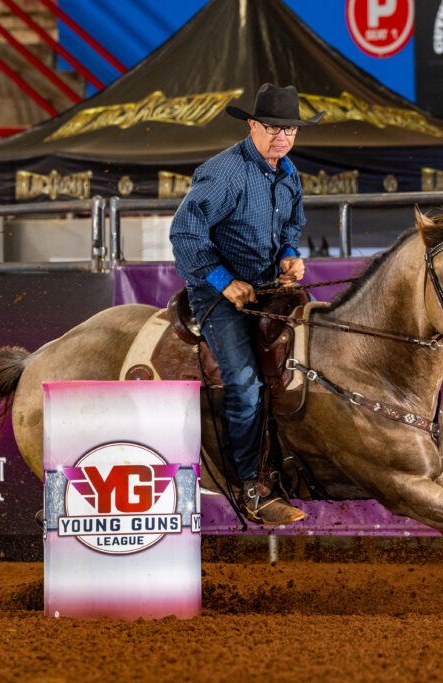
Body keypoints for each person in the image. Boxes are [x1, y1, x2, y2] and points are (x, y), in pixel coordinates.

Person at [170, 83, 324, 525]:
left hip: (268, 285)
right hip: (215, 293)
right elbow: (184, 235)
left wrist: (289, 257)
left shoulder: (289, 173)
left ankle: (291, 466)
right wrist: (224, 281)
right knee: (243, 381)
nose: (282, 137)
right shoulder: (224, 173)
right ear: (253, 125)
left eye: (290, 129)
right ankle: (250, 487)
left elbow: (292, 226)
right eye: (274, 127)